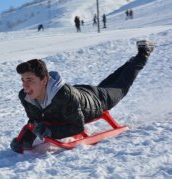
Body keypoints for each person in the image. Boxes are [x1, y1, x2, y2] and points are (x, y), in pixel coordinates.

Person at [10, 40, 154, 153]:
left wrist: (50, 132)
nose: (25, 86)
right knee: (113, 79)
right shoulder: (26, 96)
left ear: (44, 80)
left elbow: (77, 127)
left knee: (122, 84)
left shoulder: (64, 96)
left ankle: (144, 53)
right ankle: (132, 62)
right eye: (23, 80)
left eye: (30, 80)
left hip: (97, 101)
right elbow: (35, 120)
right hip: (81, 92)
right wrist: (24, 139)